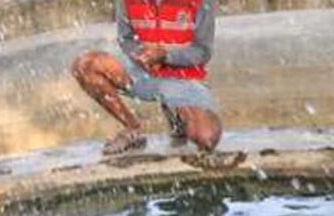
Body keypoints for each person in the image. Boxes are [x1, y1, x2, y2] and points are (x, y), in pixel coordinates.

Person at [71, 0, 223, 156]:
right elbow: (126, 39)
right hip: (143, 72)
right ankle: (132, 128)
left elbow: (203, 51)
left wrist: (166, 56)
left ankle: (177, 118)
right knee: (86, 66)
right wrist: (142, 55)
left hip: (184, 79)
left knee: (206, 138)